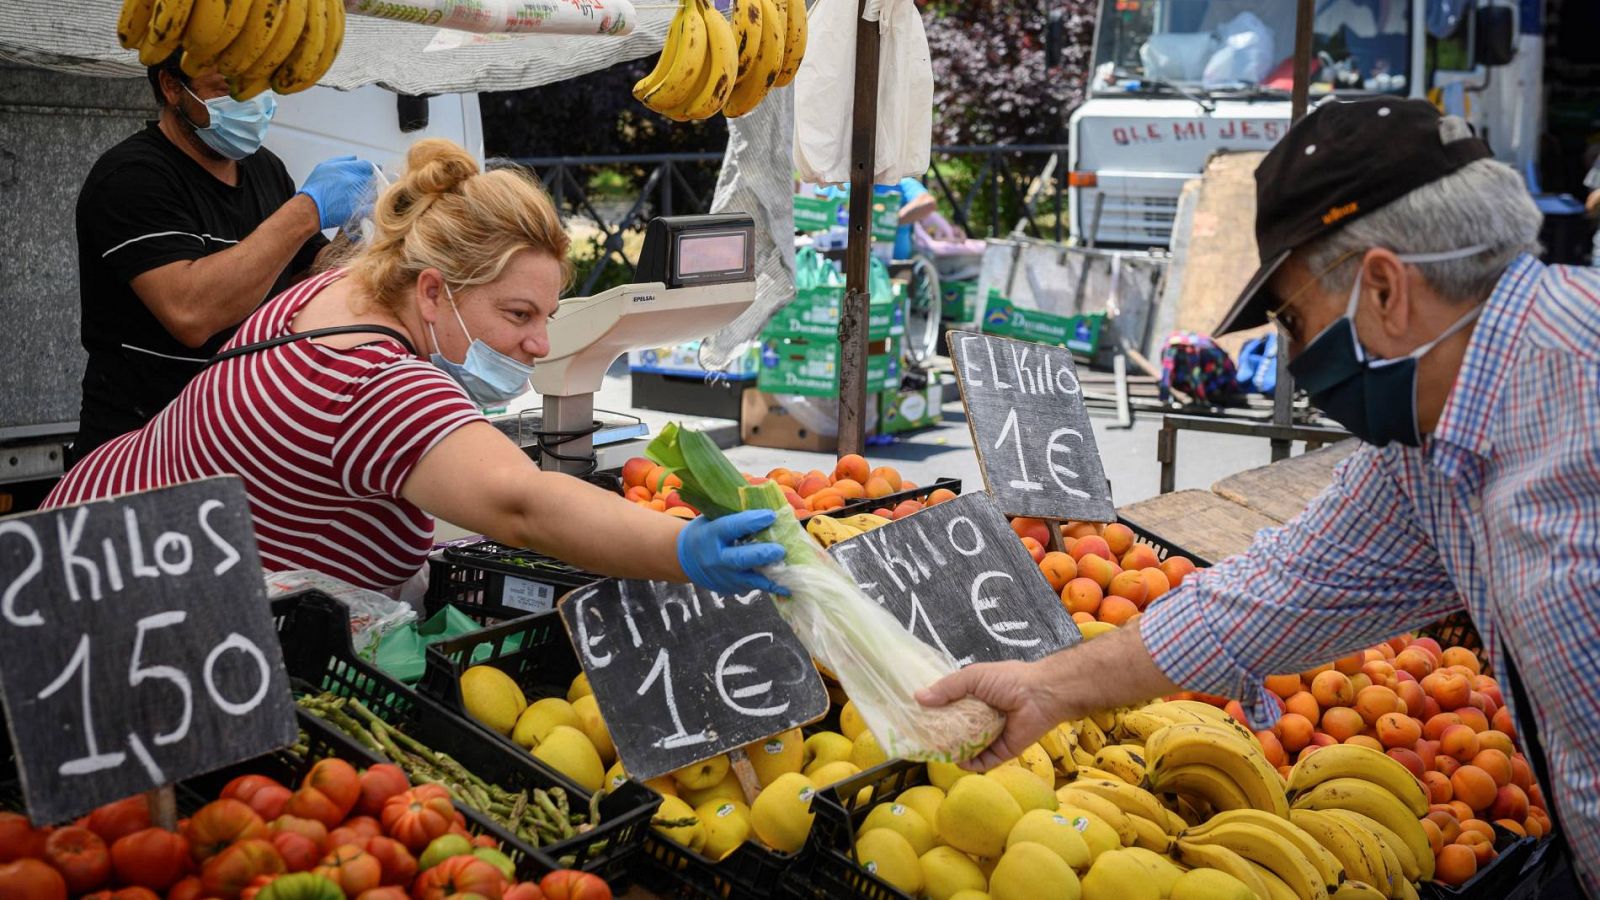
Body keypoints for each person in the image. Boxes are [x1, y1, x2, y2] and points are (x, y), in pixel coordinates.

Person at [919, 99, 1599, 895]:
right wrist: (1045, 687)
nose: (1292, 350)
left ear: (1383, 288)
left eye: (1294, 317)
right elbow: (1273, 594)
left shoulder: (1577, 417)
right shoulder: (1429, 444)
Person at [46, 138, 785, 602]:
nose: (539, 343)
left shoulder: (337, 294)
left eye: (547, 314)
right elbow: (524, 506)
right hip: (121, 600)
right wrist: (679, 549)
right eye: (518, 314)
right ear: (432, 290)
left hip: (90, 533)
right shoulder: (381, 385)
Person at [72, 51, 377, 462]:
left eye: (261, 86)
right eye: (229, 89)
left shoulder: (265, 169)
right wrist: (304, 212)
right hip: (145, 448)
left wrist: (361, 240)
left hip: (241, 439)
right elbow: (191, 312)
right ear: (171, 87)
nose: (253, 103)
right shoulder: (132, 177)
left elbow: (304, 278)